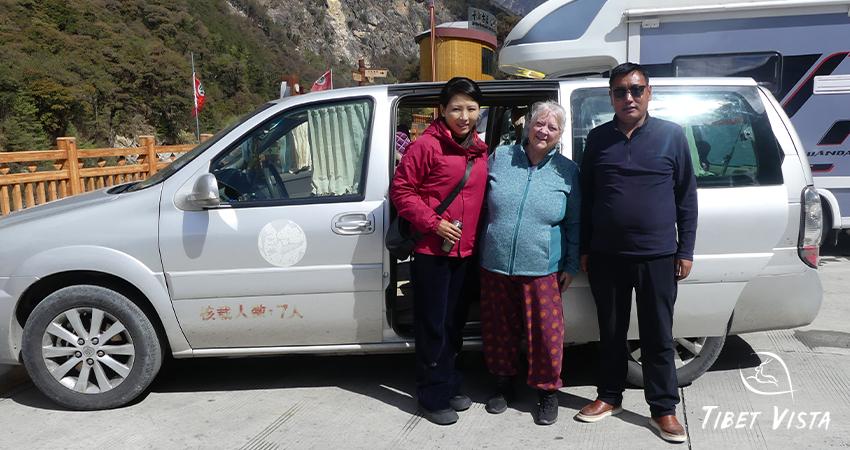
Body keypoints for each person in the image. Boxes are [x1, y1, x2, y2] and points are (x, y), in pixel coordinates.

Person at [575, 62, 698, 443]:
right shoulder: (596, 140)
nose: (628, 97)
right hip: (606, 256)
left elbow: (686, 198)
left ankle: (663, 409)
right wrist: (584, 247)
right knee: (610, 332)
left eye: (636, 89)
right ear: (610, 97)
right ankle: (609, 397)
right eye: (620, 91)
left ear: (649, 92)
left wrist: (686, 249)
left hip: (658, 255)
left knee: (658, 335)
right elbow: (587, 198)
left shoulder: (672, 136)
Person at [389, 77, 489, 426]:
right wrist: (433, 223)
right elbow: (401, 191)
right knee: (432, 325)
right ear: (442, 111)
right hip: (433, 252)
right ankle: (431, 395)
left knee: (454, 324)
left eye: (471, 109)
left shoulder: (479, 148)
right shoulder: (426, 146)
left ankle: (450, 383)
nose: (464, 115)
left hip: (466, 253)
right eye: (456, 108)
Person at [478, 100, 581, 425]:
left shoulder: (567, 170)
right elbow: (479, 204)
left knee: (546, 335)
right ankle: (503, 385)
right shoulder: (501, 158)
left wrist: (571, 264)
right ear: (527, 125)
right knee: (499, 330)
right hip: (495, 265)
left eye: (552, 127)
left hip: (542, 268)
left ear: (560, 134)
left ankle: (548, 392)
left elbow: (574, 223)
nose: (544, 131)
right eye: (539, 123)